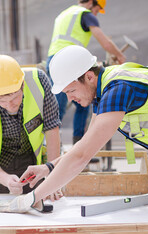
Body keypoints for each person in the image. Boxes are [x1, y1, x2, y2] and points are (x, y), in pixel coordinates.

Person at [0, 46, 148, 234]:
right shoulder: (104, 90)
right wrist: (48, 168)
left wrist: (34, 197)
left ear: (89, 77)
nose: (71, 99)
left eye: (71, 90)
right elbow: (86, 144)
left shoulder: (118, 89)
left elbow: (81, 157)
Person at [0, 55, 62, 197]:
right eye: (2, 101)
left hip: (32, 166)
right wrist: (6, 179)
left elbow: (52, 128)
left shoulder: (39, 82)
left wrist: (53, 176)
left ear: (23, 85)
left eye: (14, 98)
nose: (9, 105)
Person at [45, 0, 126, 144]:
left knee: (81, 103)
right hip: (68, 62)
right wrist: (120, 56)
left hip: (53, 61)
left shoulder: (65, 13)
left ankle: (79, 145)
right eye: (97, 9)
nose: (96, 13)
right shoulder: (85, 15)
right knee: (61, 108)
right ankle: (54, 147)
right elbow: (105, 42)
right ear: (91, 2)